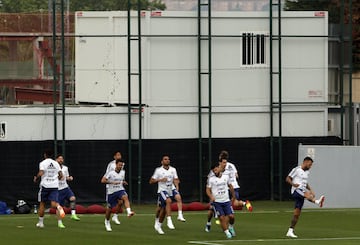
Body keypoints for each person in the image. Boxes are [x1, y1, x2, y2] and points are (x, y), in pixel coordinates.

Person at [285, 156, 325, 238]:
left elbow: (305, 183)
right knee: (306, 194)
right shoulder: (296, 170)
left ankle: (290, 231)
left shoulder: (307, 172)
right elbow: (287, 178)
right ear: (305, 162)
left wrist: (311, 190)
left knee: (296, 214)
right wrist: (293, 184)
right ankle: (317, 202)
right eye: (309, 165)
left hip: (302, 192)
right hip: (296, 191)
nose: (310, 167)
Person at [149, 154, 182, 234]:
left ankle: (159, 226)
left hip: (170, 190)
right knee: (168, 201)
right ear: (162, 161)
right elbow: (151, 181)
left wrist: (176, 185)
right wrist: (160, 180)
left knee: (163, 210)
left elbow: (176, 179)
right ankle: (169, 220)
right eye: (165, 159)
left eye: (168, 159)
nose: (167, 160)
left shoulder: (173, 169)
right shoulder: (158, 170)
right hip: (162, 190)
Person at [33, 149, 66, 228]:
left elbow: (41, 172)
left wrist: (36, 177)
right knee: (54, 203)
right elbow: (61, 175)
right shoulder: (56, 163)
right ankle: (59, 220)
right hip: (54, 186)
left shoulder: (43, 163)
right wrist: (55, 179)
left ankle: (41, 223)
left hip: (45, 186)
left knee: (42, 203)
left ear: (45, 155)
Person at [101, 158, 135, 232]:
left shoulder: (123, 172)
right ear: (116, 164)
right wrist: (112, 182)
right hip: (111, 192)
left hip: (120, 190)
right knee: (109, 209)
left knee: (125, 197)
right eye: (119, 165)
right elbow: (103, 180)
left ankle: (129, 212)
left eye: (122, 165)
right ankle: (107, 222)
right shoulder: (110, 173)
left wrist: (123, 182)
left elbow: (121, 180)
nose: (120, 166)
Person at [206, 161, 236, 239]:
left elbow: (230, 186)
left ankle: (231, 227)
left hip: (226, 200)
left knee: (231, 216)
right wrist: (211, 196)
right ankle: (227, 233)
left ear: (219, 168)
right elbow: (208, 190)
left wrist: (233, 196)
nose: (215, 171)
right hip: (217, 202)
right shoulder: (211, 179)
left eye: (216, 169)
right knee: (221, 218)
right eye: (213, 171)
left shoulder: (226, 176)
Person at [56, 154, 80, 221]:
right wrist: (59, 177)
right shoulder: (54, 169)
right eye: (59, 159)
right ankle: (59, 222)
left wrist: (69, 178)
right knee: (59, 207)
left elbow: (66, 177)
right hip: (58, 189)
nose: (61, 160)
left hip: (66, 188)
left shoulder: (65, 168)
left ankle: (73, 214)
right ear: (56, 160)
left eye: (62, 159)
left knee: (73, 198)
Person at [103, 151, 123, 225]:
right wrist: (110, 182)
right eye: (117, 155)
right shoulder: (111, 165)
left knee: (121, 202)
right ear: (114, 157)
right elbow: (107, 175)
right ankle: (107, 220)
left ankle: (115, 216)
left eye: (120, 155)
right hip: (110, 187)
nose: (119, 156)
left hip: (118, 186)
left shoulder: (122, 164)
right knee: (109, 206)